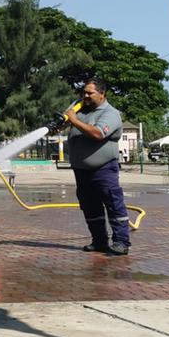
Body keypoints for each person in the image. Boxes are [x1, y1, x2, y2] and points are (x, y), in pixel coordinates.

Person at [61, 77, 131, 255]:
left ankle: (121, 242)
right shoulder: (80, 109)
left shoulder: (110, 113)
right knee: (90, 206)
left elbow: (98, 134)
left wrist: (74, 120)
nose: (85, 96)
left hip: (103, 169)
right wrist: (61, 124)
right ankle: (99, 241)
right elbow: (67, 123)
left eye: (89, 93)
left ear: (102, 94)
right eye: (83, 92)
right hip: (81, 170)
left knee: (113, 204)